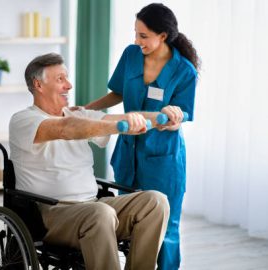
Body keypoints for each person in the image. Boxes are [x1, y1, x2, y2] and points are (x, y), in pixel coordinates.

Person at [9, 53, 170, 270]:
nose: (69, 85)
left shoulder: (80, 115)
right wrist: (114, 127)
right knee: (100, 214)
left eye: (67, 78)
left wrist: (162, 118)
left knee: (156, 201)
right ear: (38, 84)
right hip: (54, 215)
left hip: (94, 206)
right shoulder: (24, 120)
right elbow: (66, 129)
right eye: (60, 79)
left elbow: (115, 120)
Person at [83, 3, 200, 270]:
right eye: (135, 33)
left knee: (166, 229)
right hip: (128, 154)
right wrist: (85, 110)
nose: (136, 41)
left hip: (163, 161)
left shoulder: (184, 71)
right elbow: (118, 93)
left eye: (143, 36)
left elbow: (181, 116)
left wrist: (172, 117)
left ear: (163, 36)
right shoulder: (131, 55)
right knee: (131, 220)